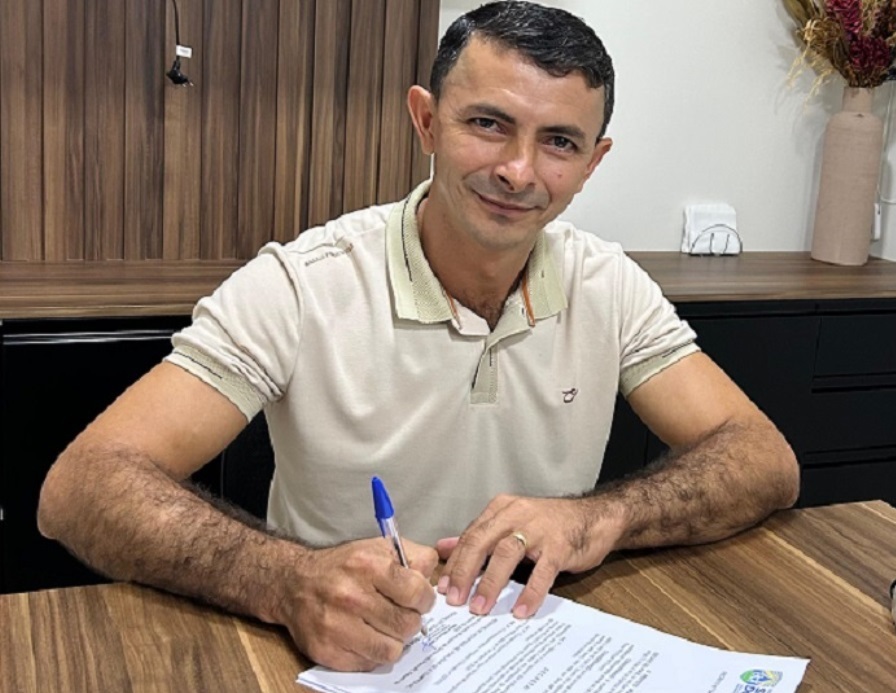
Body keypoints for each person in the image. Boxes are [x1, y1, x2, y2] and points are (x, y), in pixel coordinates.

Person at [38, 0, 798, 674]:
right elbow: (81, 486)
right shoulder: (303, 283)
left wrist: (598, 517)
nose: (518, 171)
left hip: (535, 645)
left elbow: (762, 458)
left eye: (560, 142)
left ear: (593, 161)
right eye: (488, 124)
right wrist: (286, 581)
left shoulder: (609, 283)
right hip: (337, 654)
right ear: (427, 120)